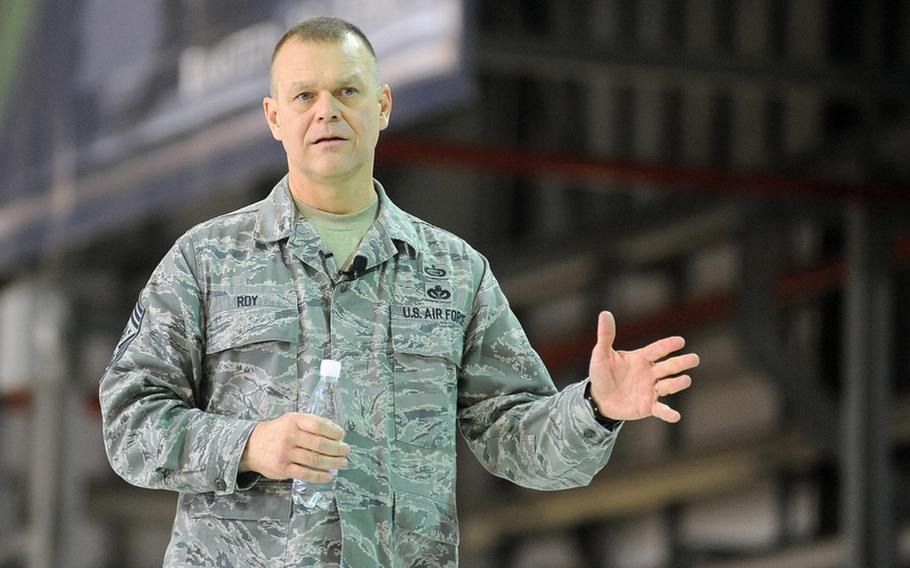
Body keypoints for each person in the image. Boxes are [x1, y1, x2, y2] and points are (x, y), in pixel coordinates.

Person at [99, 16, 699, 568]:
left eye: (349, 92)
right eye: (304, 95)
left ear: (382, 105)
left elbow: (515, 436)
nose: (326, 111)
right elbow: (129, 422)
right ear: (274, 117)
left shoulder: (453, 271)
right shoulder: (207, 261)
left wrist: (594, 408)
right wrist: (248, 444)